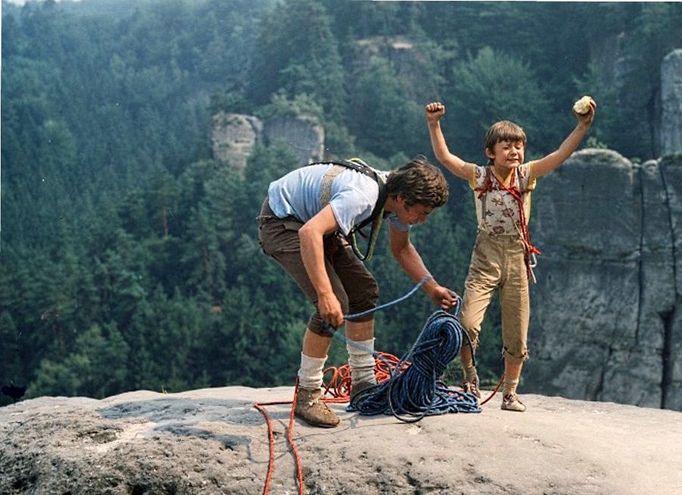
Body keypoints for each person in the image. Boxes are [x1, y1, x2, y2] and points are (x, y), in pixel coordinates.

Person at [425, 98, 597, 412]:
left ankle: (510, 392)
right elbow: (446, 158)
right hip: (485, 256)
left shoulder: (526, 175)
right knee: (467, 323)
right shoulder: (479, 176)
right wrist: (434, 124)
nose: (515, 152)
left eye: (519, 146)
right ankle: (471, 379)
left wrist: (582, 127)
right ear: (491, 152)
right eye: (507, 146)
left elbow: (559, 155)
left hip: (517, 257)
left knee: (517, 333)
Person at [258, 156, 457, 427]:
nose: (422, 219)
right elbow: (309, 233)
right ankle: (307, 395)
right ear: (402, 199)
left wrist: (432, 288)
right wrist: (325, 294)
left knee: (363, 291)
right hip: (282, 222)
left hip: (312, 222)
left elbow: (402, 249)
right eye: (422, 212)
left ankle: (363, 383)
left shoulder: (394, 200)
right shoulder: (363, 196)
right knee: (333, 301)